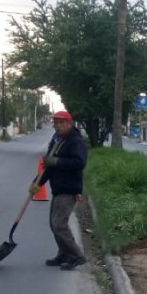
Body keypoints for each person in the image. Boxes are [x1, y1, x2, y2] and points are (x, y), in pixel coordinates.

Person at [30, 110, 88, 270]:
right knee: (53, 223)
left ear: (70, 123)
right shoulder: (56, 140)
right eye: (56, 123)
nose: (58, 125)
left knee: (59, 224)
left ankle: (77, 256)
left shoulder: (75, 141)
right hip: (58, 188)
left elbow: (79, 163)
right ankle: (64, 253)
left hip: (69, 188)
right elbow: (48, 167)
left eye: (62, 122)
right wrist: (37, 183)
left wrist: (57, 161)